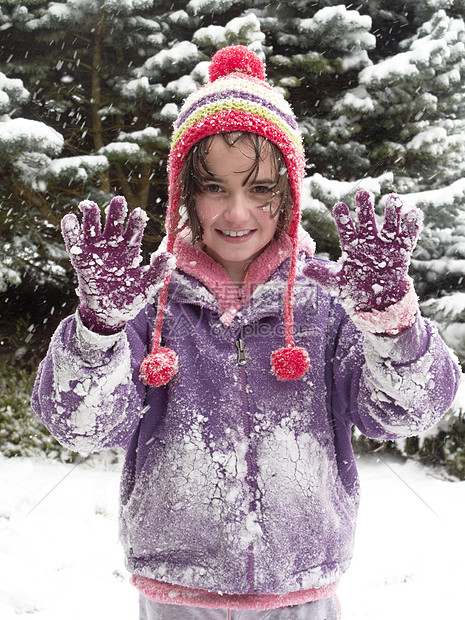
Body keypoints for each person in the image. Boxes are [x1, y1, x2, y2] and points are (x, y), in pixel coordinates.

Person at [32, 46, 460, 620]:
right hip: (177, 592)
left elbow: (404, 415)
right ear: (185, 191)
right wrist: (97, 329)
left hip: (302, 591)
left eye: (259, 189)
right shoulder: (146, 303)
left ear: (290, 193)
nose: (237, 213)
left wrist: (392, 325)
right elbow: (84, 428)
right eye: (214, 187)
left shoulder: (328, 303)